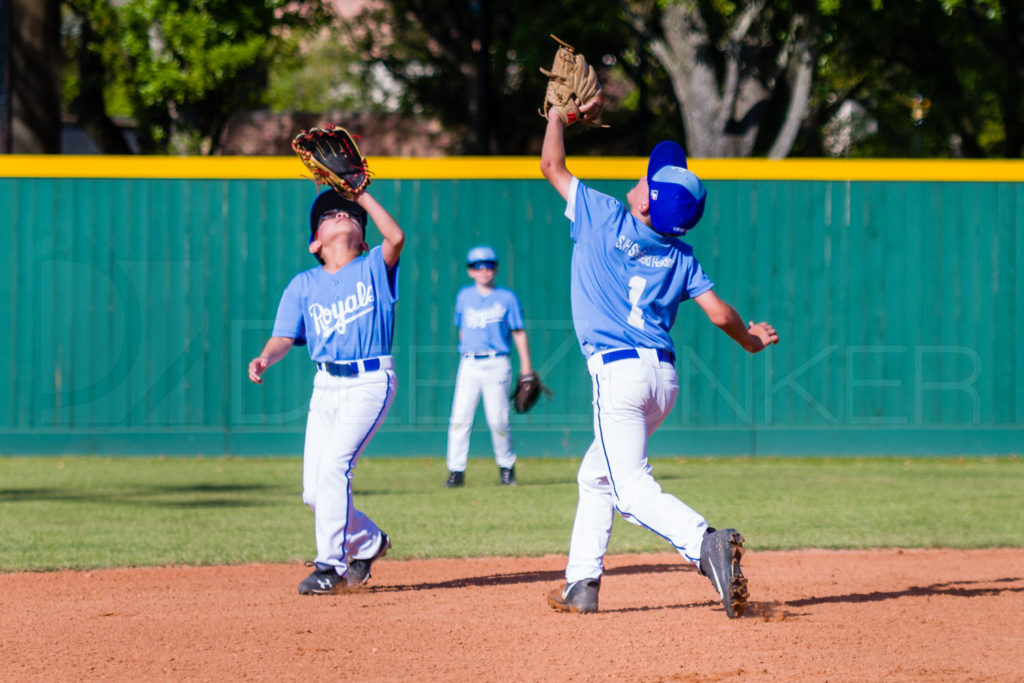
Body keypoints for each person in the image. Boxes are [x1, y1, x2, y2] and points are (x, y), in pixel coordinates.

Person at [539, 102, 779, 618]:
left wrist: (558, 116)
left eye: (648, 181)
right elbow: (719, 315)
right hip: (661, 380)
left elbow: (552, 166)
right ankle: (582, 582)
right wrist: (751, 340)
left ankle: (704, 544)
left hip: (619, 373)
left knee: (629, 490)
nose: (641, 179)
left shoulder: (602, 214)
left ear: (647, 204)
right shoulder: (682, 256)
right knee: (596, 477)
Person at [247, 187, 405, 595]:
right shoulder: (303, 284)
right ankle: (369, 542)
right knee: (315, 493)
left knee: (335, 467)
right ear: (314, 242)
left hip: (370, 380)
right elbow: (284, 336)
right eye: (329, 214)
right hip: (326, 385)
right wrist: (266, 357)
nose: (341, 214)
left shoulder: (373, 267)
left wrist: (362, 194)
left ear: (364, 239)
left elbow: (397, 238)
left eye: (349, 213)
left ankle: (330, 566)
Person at [444, 245, 535, 487]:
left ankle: (506, 467)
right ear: (470, 271)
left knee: (498, 420)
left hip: (497, 362)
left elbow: (518, 332)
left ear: (495, 269)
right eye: (478, 266)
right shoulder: (464, 296)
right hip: (470, 362)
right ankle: (456, 471)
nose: (484, 270)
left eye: (489, 265)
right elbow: (462, 330)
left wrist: (526, 367)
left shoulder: (507, 298)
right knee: (459, 418)